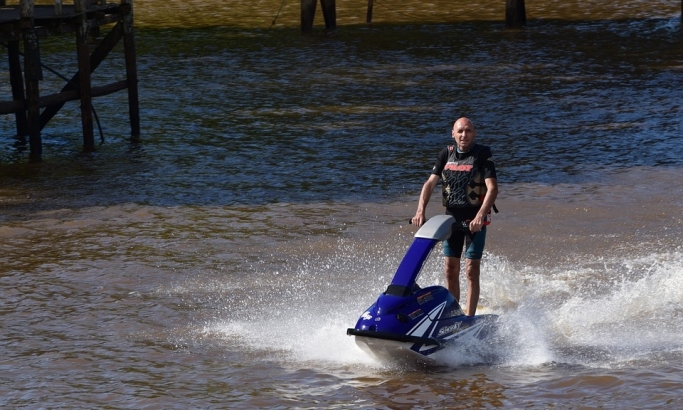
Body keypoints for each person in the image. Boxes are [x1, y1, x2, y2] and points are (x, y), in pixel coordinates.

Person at [411, 117, 498, 317]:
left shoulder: (482, 154)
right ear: (453, 134)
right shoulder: (446, 154)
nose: (464, 135)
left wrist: (479, 216)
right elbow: (430, 184)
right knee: (450, 270)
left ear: (474, 133)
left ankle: (469, 318)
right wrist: (420, 211)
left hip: (476, 220)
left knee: (471, 271)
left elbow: (492, 188)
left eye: (468, 131)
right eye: (459, 131)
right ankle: (453, 316)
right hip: (452, 219)